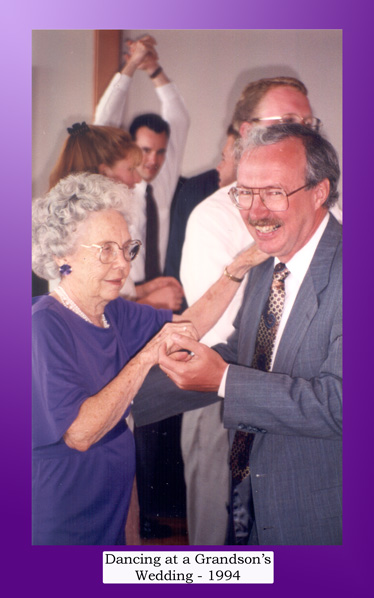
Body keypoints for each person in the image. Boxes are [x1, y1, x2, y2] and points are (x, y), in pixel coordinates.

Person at [32, 171, 267, 545]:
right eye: (105, 250)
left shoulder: (112, 313)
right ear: (63, 255)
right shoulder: (43, 324)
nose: (123, 265)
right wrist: (145, 359)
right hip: (63, 521)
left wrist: (238, 267)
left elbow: (189, 326)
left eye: (128, 249)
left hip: (112, 516)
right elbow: (80, 433)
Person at [145, 124, 342, 546]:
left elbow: (342, 404)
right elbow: (245, 354)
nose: (255, 211)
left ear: (319, 192)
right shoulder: (269, 262)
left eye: (272, 192)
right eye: (245, 192)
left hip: (322, 520)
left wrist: (224, 380)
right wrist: (126, 404)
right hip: (255, 505)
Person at [49, 122, 184, 311]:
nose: (137, 180)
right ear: (104, 173)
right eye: (130, 170)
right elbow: (88, 315)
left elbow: (102, 291)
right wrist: (151, 303)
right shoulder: (79, 230)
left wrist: (141, 291)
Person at [94, 34, 190, 284]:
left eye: (160, 152)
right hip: (121, 293)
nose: (153, 160)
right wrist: (132, 65)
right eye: (146, 150)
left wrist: (153, 69)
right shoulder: (114, 183)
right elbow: (104, 121)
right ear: (131, 147)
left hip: (160, 290)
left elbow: (179, 117)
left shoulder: (162, 180)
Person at [164, 125, 238, 284]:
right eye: (222, 157)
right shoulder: (195, 191)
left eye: (224, 159)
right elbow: (175, 264)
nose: (219, 167)